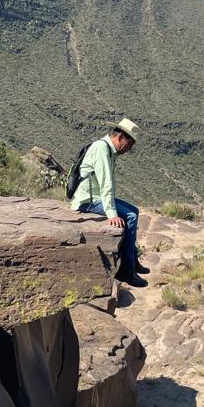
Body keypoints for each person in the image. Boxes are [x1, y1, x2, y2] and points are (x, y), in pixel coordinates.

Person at [70, 117, 150, 288]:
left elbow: (106, 185)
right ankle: (127, 271)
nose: (129, 149)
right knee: (129, 216)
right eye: (129, 144)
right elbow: (106, 183)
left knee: (134, 211)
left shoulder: (108, 150)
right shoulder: (101, 148)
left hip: (97, 197)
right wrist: (112, 214)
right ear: (120, 137)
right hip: (87, 201)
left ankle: (133, 260)